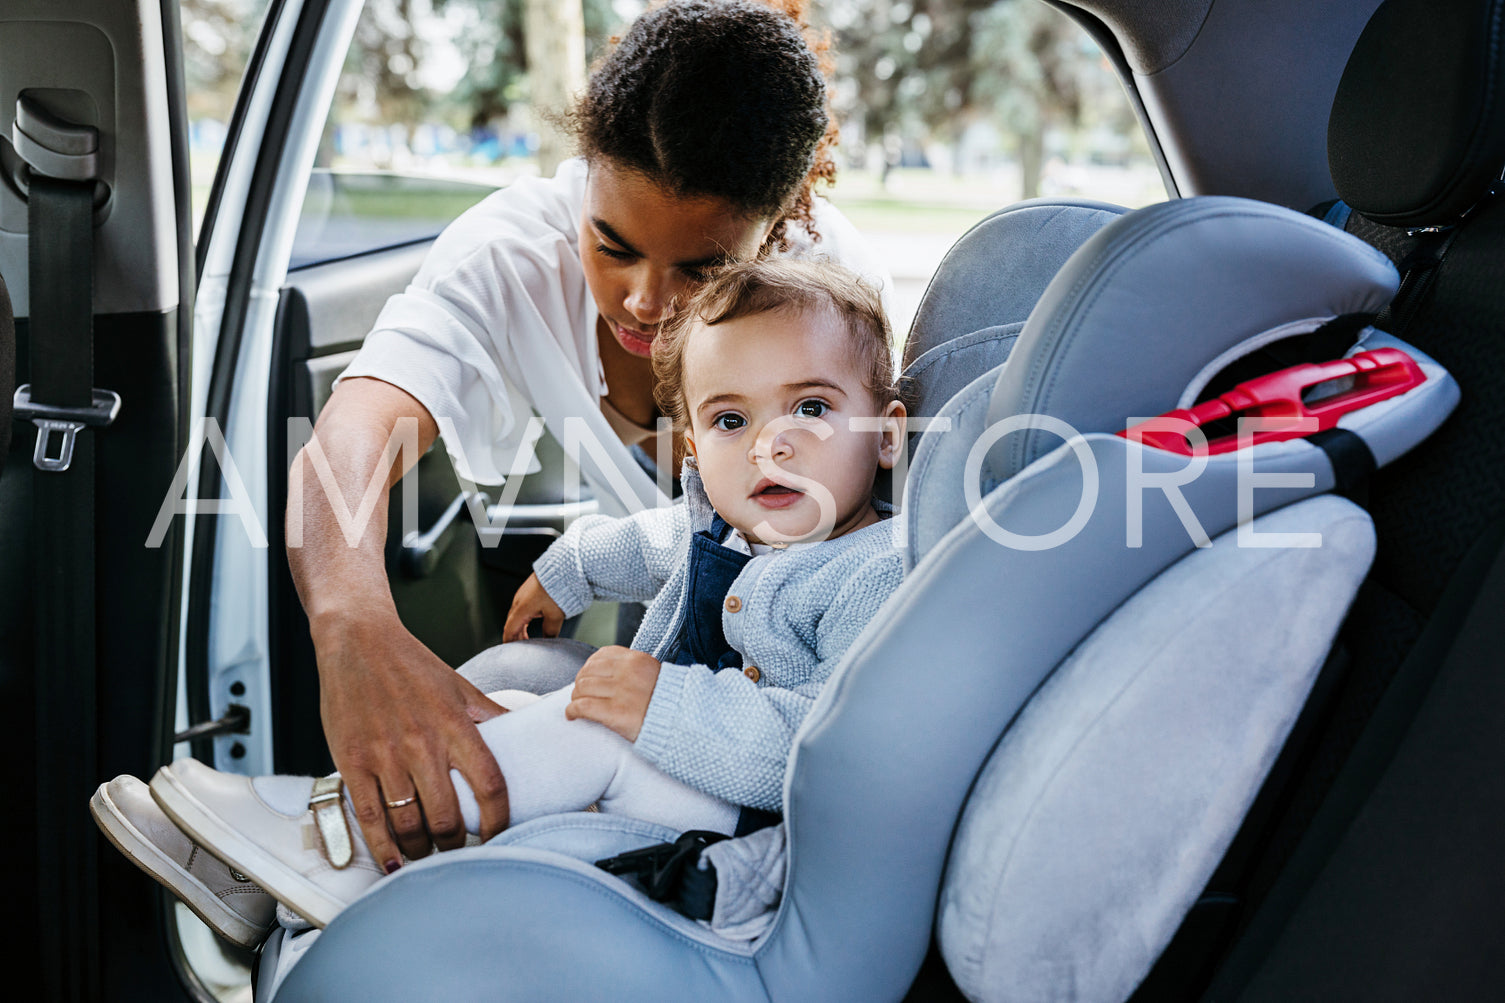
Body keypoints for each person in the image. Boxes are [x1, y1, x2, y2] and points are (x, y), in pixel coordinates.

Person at [92, 257, 908, 935]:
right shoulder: (739, 529)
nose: (773, 442)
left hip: (753, 835)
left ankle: (338, 850)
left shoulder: (873, 572)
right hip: (688, 781)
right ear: (693, 448)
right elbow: (657, 542)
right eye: (732, 420)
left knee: (588, 731)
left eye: (811, 407)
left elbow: (826, 750)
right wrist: (568, 568)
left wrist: (664, 705)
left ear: (888, 434)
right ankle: (275, 881)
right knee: (511, 700)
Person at [287, 0, 893, 884]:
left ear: (780, 227)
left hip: (756, 740)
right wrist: (351, 623)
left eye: (703, 269)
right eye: (611, 245)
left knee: (579, 728)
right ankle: (385, 848)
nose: (646, 301)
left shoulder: (823, 309)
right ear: (584, 178)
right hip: (677, 645)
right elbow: (353, 433)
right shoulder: (510, 252)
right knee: (505, 670)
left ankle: (339, 849)